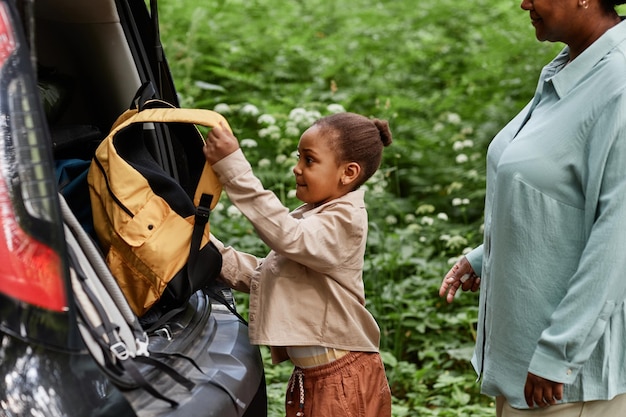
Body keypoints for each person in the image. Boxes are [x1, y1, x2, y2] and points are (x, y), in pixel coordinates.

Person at [439, 0, 626, 415]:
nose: (523, 3)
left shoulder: (618, 82)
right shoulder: (570, 66)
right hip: (527, 361)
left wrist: (560, 352)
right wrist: (487, 256)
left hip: (569, 381)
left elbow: (618, 236)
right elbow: (557, 193)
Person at [203, 112, 393, 417]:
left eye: (309, 160)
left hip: (341, 381)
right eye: (299, 157)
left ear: (348, 173)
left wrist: (233, 168)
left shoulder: (345, 221)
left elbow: (287, 236)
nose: (297, 168)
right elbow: (269, 277)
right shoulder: (318, 215)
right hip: (316, 377)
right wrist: (206, 249)